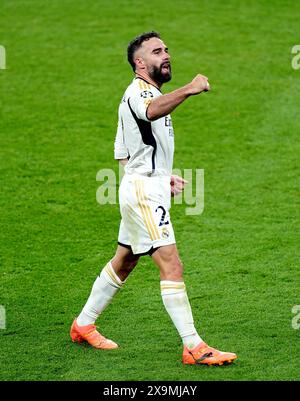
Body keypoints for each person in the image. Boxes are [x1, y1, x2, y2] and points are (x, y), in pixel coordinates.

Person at [70, 31, 237, 366]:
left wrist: (160, 173)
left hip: (144, 186)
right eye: (157, 51)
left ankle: (83, 324)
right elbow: (151, 112)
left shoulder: (139, 96)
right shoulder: (139, 94)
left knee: (126, 260)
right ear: (140, 62)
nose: (166, 55)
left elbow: (123, 151)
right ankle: (193, 346)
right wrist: (189, 89)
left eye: (166, 49)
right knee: (172, 264)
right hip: (144, 195)